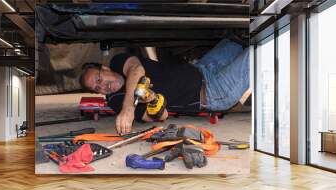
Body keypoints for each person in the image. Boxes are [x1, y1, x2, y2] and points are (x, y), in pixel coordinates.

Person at [80, 39, 249, 135]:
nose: (102, 86)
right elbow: (161, 116)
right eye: (96, 88)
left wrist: (129, 106)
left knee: (238, 37)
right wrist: (154, 100)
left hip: (203, 69)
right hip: (214, 93)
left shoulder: (117, 62)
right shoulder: (116, 101)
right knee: (259, 50)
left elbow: (136, 69)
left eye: (99, 78)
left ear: (105, 68)